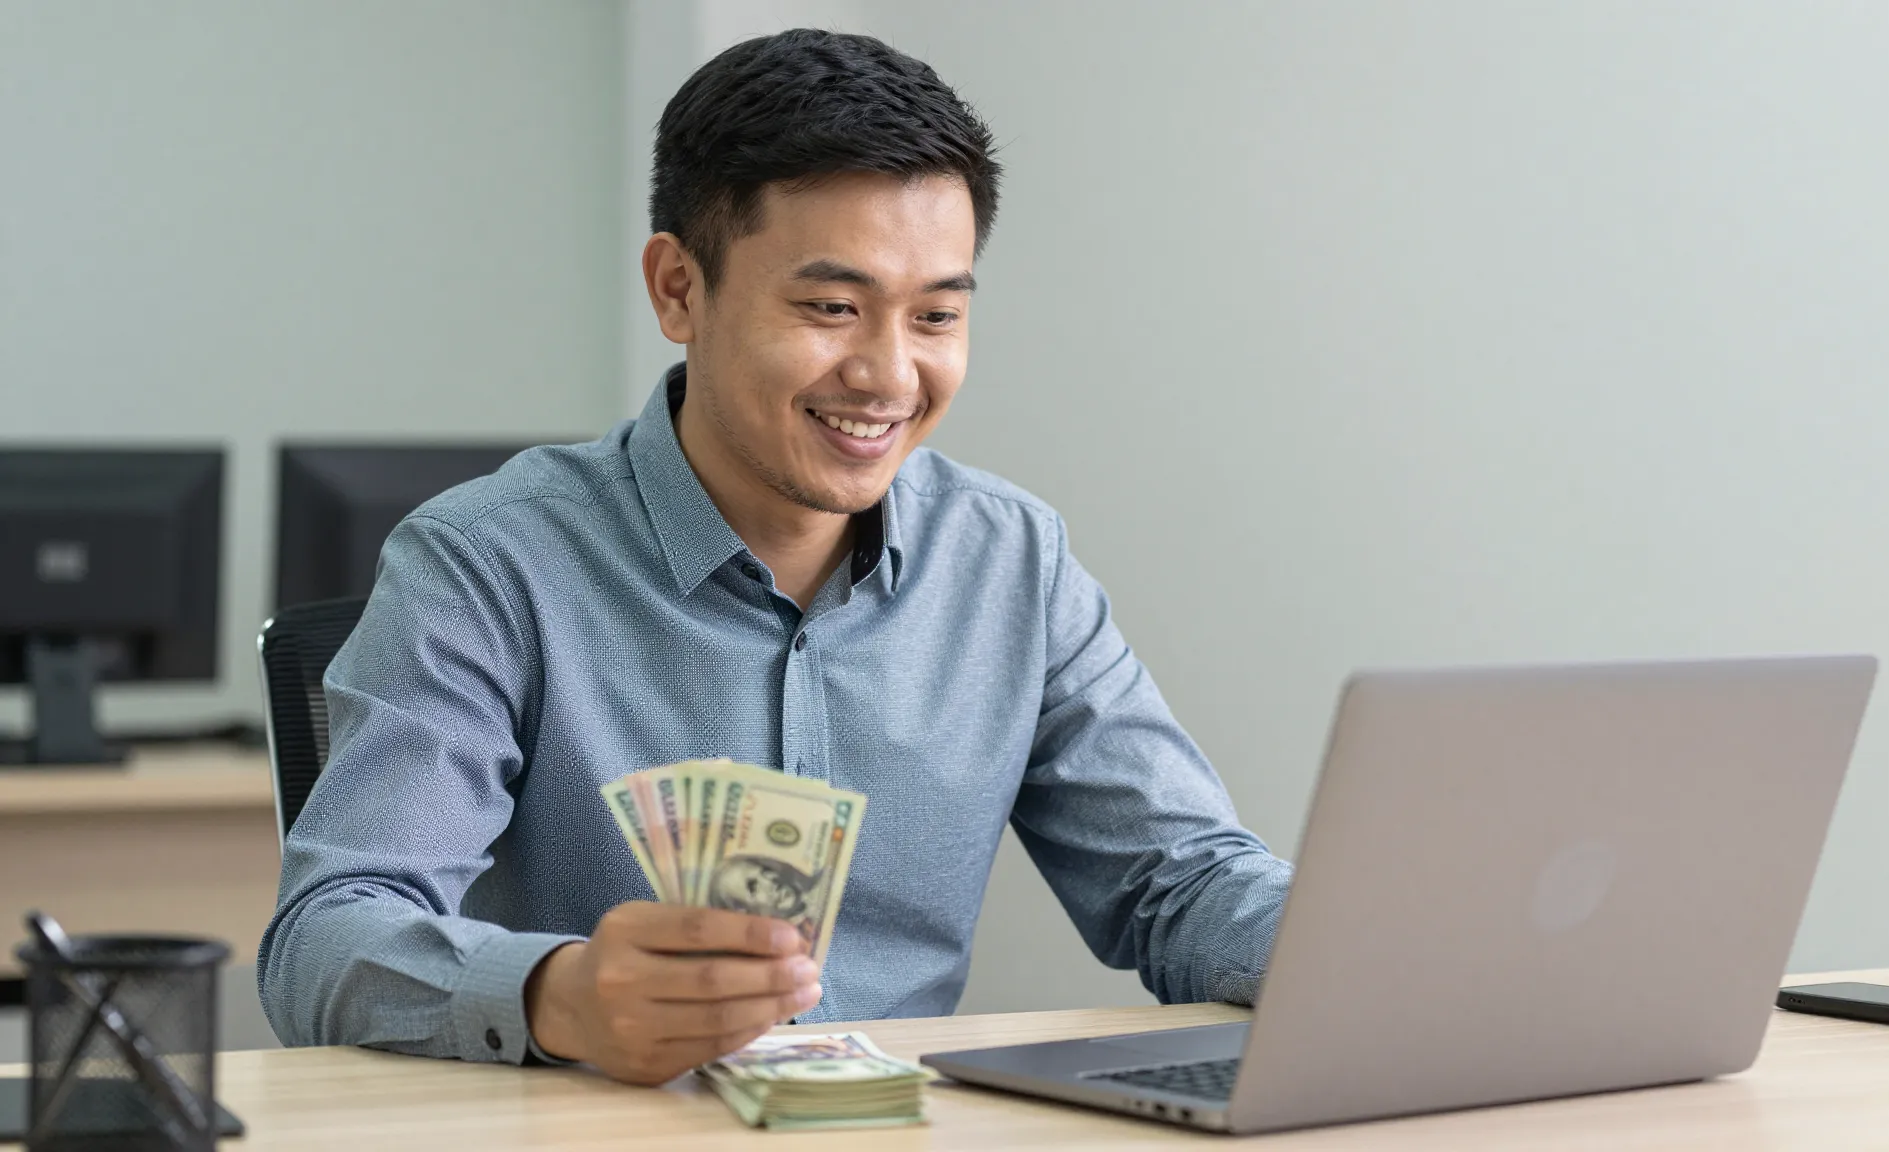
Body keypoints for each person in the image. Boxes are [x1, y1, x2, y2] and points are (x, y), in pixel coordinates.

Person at [258, 28, 1293, 1087]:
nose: (888, 375)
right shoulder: (485, 562)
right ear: (677, 290)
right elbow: (328, 940)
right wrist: (557, 994)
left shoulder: (1011, 560)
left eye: (935, 315)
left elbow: (1180, 880)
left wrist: (1377, 948)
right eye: (831, 308)